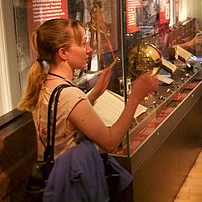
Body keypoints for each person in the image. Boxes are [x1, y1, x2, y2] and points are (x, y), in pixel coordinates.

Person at [18, 18, 159, 200]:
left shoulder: (44, 85)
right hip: (76, 182)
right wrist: (135, 98)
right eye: (83, 43)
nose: (89, 49)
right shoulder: (70, 95)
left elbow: (64, 119)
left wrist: (95, 93)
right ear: (63, 53)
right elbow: (110, 141)